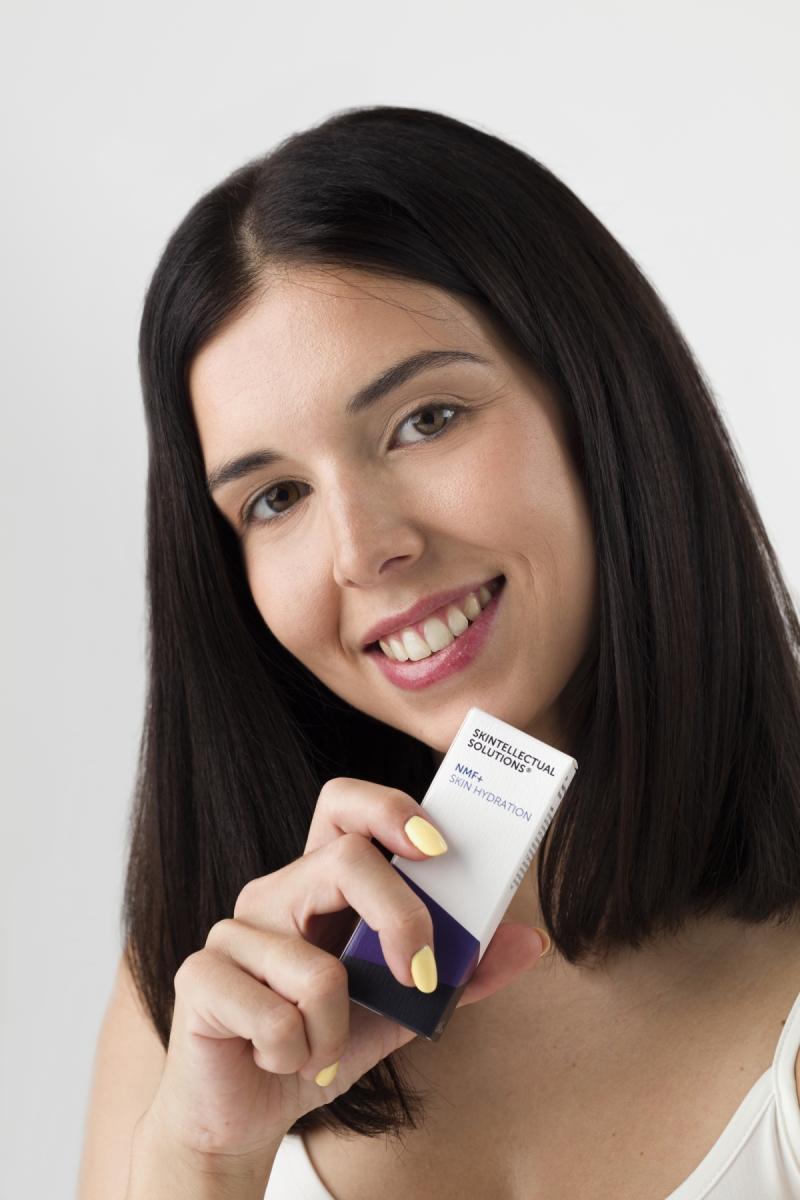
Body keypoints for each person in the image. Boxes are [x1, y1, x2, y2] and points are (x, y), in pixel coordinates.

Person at [78, 108, 800, 1200]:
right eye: (275, 497)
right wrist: (203, 1162)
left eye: (426, 420)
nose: (361, 550)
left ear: (600, 403)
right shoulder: (197, 1006)